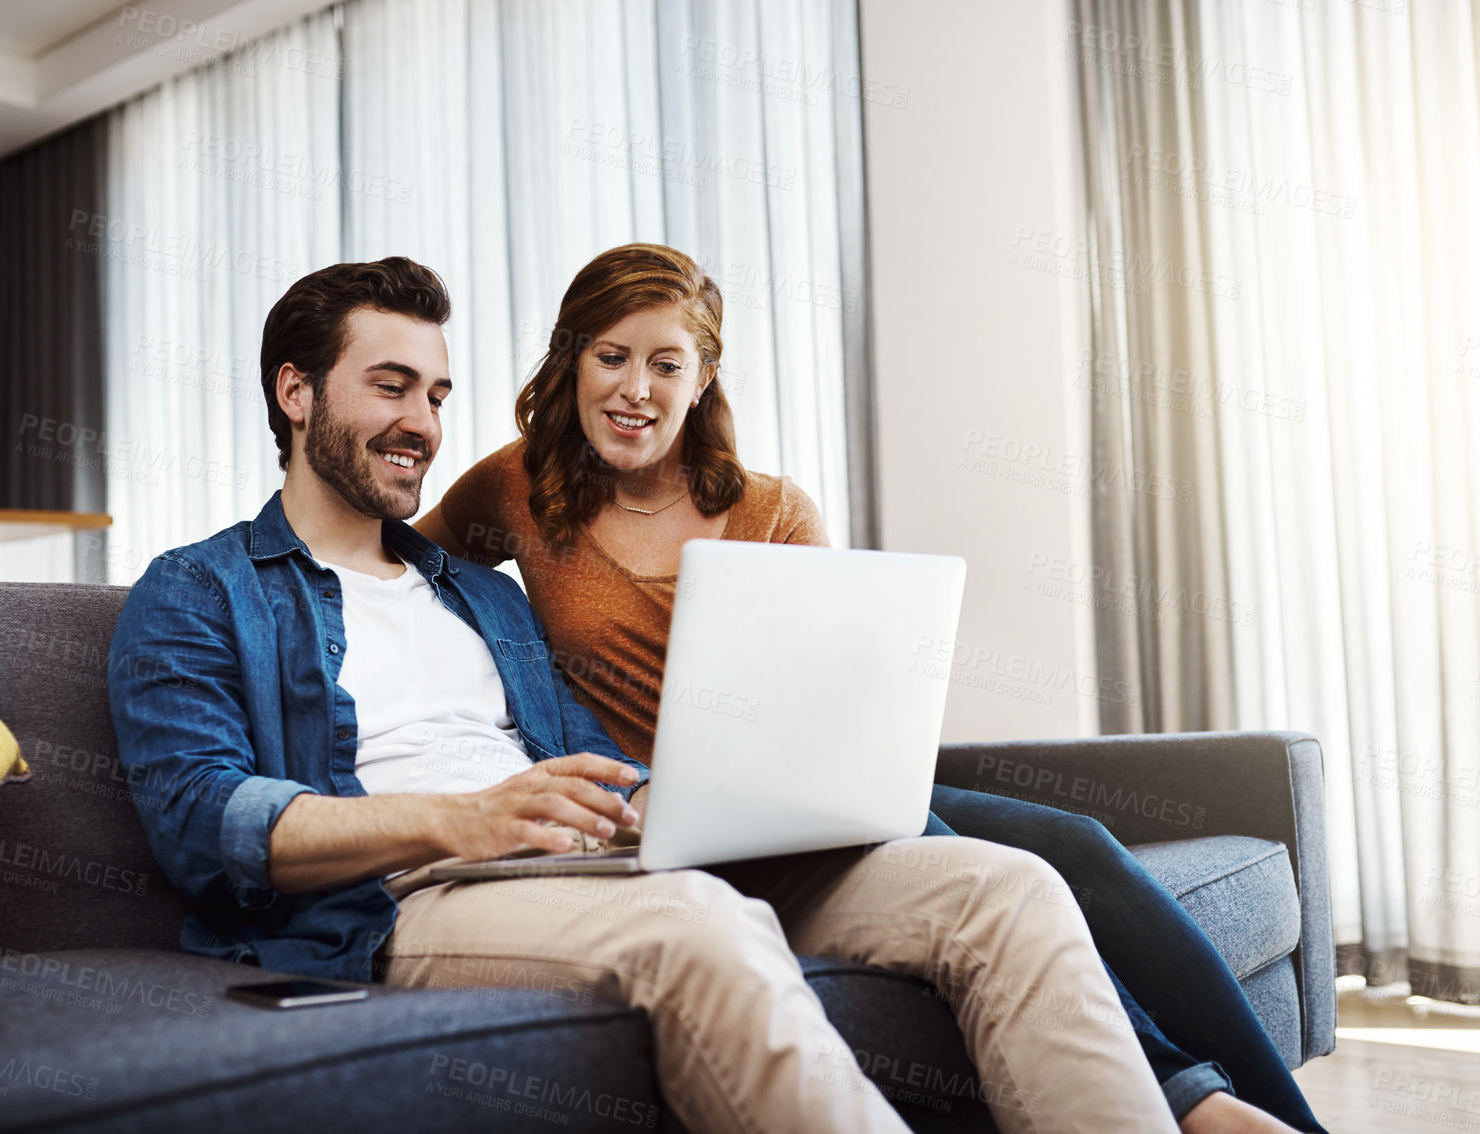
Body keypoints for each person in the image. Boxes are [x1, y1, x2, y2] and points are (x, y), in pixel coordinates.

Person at [108, 256, 1180, 1133]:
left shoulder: (480, 593)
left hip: (615, 855)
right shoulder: (199, 589)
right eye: (390, 386)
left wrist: (698, 799)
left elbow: (583, 747)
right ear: (295, 392)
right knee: (695, 921)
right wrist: (468, 816)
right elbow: (203, 822)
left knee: (1002, 888)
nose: (423, 424)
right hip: (415, 892)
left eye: (435, 395)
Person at [415, 243, 1325, 1134]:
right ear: (570, 363)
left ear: (704, 377)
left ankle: (1272, 1119)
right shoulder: (517, 486)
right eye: (608, 357)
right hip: (648, 823)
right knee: (1022, 862)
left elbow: (828, 691)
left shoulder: (773, 509)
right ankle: (1191, 1104)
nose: (633, 389)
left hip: (785, 798)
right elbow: (397, 567)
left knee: (1072, 841)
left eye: (665, 363)